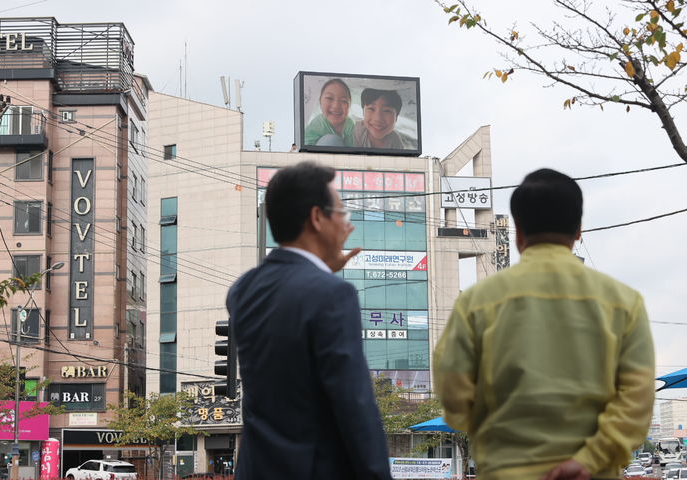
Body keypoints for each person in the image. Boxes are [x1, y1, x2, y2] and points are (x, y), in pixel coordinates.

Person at [433, 169, 655, 480]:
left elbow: (453, 392)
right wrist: (590, 459)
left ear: (518, 231)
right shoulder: (624, 303)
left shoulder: (477, 302)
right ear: (578, 230)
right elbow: (638, 399)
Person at [227, 162, 391, 480]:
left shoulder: (243, 289)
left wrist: (321, 273)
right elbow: (354, 404)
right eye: (342, 213)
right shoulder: (333, 295)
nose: (348, 226)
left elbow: (290, 299)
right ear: (317, 217)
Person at [303, 78, 355, 146]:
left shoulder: (349, 124)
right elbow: (306, 146)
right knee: (331, 140)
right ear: (320, 101)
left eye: (343, 101)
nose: (336, 106)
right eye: (329, 98)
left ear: (349, 105)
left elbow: (351, 148)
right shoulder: (317, 124)